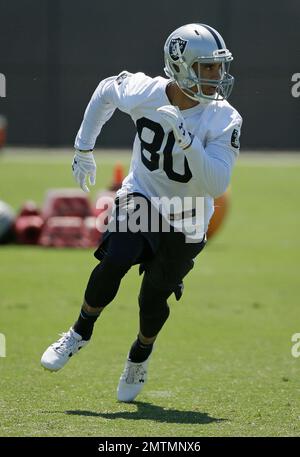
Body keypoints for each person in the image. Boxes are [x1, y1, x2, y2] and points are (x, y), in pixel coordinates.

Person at [41, 23, 242, 402]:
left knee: (153, 299)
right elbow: (105, 91)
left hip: (189, 216)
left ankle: (139, 355)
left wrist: (183, 136)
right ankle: (80, 331)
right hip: (144, 195)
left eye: (219, 66)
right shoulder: (145, 91)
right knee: (117, 254)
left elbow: (215, 184)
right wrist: (84, 148)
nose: (217, 76)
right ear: (180, 67)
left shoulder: (225, 118)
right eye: (207, 67)